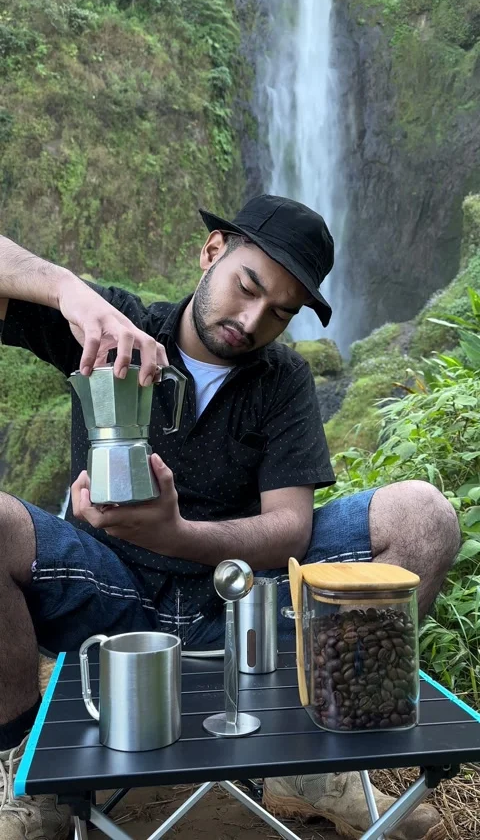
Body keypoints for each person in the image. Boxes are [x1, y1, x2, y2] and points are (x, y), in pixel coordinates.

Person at [0, 195, 459, 840]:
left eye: (280, 313)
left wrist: (174, 533)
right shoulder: (116, 325)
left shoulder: (283, 380)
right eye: (248, 287)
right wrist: (67, 292)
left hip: (245, 604)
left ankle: (320, 751)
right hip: (109, 598)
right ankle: (28, 770)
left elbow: (290, 528)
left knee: (424, 515)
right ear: (212, 250)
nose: (251, 321)